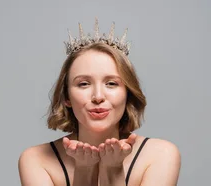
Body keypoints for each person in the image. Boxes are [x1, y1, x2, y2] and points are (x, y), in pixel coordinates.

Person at [18, 18, 181, 186]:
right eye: (83, 84)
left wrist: (113, 170)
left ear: (128, 93)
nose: (97, 96)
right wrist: (84, 170)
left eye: (111, 83)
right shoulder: (37, 160)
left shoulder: (161, 155)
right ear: (66, 97)